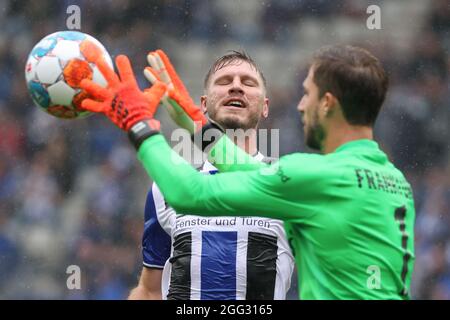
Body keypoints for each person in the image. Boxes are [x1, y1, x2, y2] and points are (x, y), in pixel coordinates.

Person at [79, 44, 416, 299]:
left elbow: (187, 194)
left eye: (306, 94)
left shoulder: (314, 177)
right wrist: (197, 123)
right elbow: (247, 171)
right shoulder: (394, 182)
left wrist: (139, 125)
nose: (300, 105)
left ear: (327, 103)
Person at [127, 51, 294, 300]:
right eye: (224, 81)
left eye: (248, 82)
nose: (236, 86)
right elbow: (150, 290)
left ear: (265, 107)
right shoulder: (168, 186)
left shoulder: (289, 185)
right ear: (203, 104)